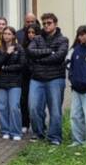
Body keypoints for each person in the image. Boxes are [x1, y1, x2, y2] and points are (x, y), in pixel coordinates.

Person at [27, 13, 69, 145]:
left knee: (55, 109)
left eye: (49, 23)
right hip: (37, 78)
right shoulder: (37, 38)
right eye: (44, 23)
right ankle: (39, 133)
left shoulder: (63, 40)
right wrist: (49, 52)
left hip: (55, 78)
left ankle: (54, 137)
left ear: (55, 24)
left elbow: (59, 57)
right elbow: (30, 51)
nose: (46, 25)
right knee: (33, 108)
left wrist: (39, 59)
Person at [0, 26, 26, 141]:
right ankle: (5, 130)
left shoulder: (19, 49)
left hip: (14, 82)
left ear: (13, 36)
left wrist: (5, 68)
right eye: (5, 34)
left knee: (14, 107)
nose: (6, 36)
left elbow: (21, 66)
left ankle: (16, 131)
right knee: (2, 108)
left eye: (9, 34)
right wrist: (7, 53)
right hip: (1, 82)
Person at [21, 23, 41, 134]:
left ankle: (37, 125)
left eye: (33, 32)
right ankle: (25, 123)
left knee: (34, 103)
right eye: (29, 32)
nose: (31, 35)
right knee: (23, 101)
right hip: (24, 76)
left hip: (36, 76)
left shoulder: (40, 45)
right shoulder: (23, 45)